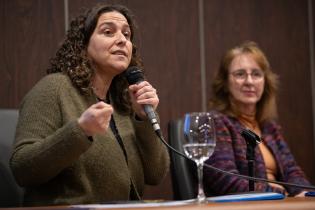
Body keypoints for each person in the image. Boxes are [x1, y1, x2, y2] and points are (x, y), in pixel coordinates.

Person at [10, 4, 169, 206]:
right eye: (108, 32)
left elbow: (155, 174)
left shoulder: (124, 101)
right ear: (83, 44)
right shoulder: (53, 89)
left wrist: (143, 118)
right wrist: (80, 130)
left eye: (127, 35)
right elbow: (22, 169)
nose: (122, 40)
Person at [204, 41, 310, 197]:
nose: (249, 81)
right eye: (240, 74)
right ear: (225, 83)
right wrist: (282, 194)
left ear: (265, 82)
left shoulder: (269, 127)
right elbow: (226, 181)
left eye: (256, 74)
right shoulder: (217, 122)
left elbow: (292, 171)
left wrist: (306, 193)